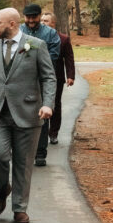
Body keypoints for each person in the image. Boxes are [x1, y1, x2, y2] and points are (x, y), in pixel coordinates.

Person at [0, 7, 55, 223]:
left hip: (28, 112)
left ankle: (19, 207)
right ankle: (2, 189)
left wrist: (48, 104)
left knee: (23, 163)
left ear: (12, 24)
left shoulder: (36, 45)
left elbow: (49, 77)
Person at [21, 3, 60, 167]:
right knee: (22, 116)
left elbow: (54, 55)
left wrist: (34, 60)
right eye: (28, 17)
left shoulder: (50, 33)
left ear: (39, 16)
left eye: (34, 17)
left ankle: (40, 153)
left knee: (41, 116)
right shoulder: (20, 31)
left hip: (42, 79)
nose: (31, 20)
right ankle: (24, 152)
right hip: (22, 80)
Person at [40, 10, 76, 146]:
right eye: (42, 20)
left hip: (56, 77)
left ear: (53, 23)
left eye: (46, 21)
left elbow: (69, 59)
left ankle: (53, 133)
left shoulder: (63, 39)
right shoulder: (37, 38)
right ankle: (40, 132)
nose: (43, 23)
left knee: (55, 104)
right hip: (38, 78)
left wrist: (70, 76)